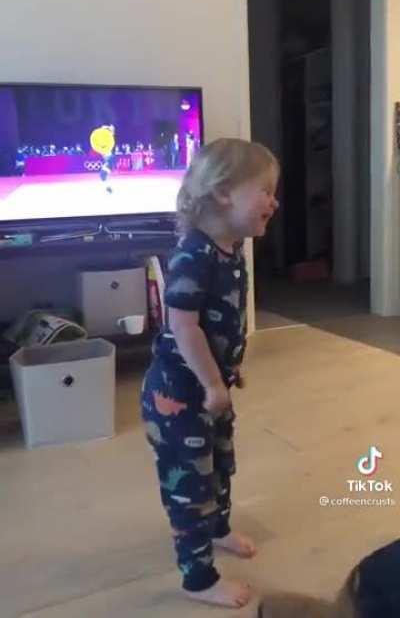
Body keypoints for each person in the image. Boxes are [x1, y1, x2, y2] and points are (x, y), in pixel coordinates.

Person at [141, 138, 280, 609]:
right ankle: (197, 578)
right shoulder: (193, 255)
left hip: (210, 387)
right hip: (181, 393)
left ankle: (217, 530)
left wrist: (226, 374)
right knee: (190, 486)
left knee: (220, 464)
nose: (274, 201)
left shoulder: (231, 246)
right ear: (224, 193)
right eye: (264, 190)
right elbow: (182, 325)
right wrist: (211, 384)